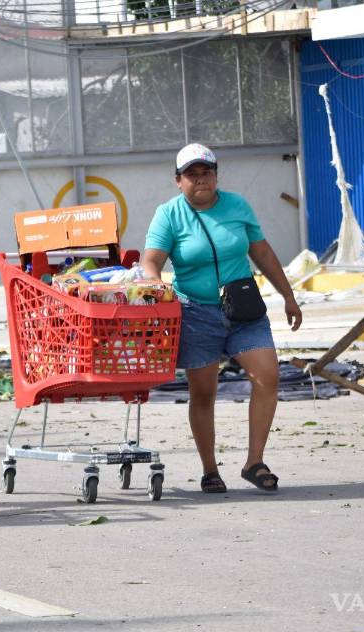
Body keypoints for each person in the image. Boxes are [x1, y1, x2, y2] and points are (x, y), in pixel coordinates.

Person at [141, 143, 302, 493]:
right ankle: (210, 470)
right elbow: (150, 260)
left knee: (268, 377)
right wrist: (157, 286)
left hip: (243, 309)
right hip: (196, 313)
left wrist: (289, 296)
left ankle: (254, 461)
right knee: (203, 393)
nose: (201, 180)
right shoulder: (169, 214)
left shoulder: (237, 206)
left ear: (216, 175)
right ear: (178, 181)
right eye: (192, 175)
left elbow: (261, 251)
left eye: (206, 172)